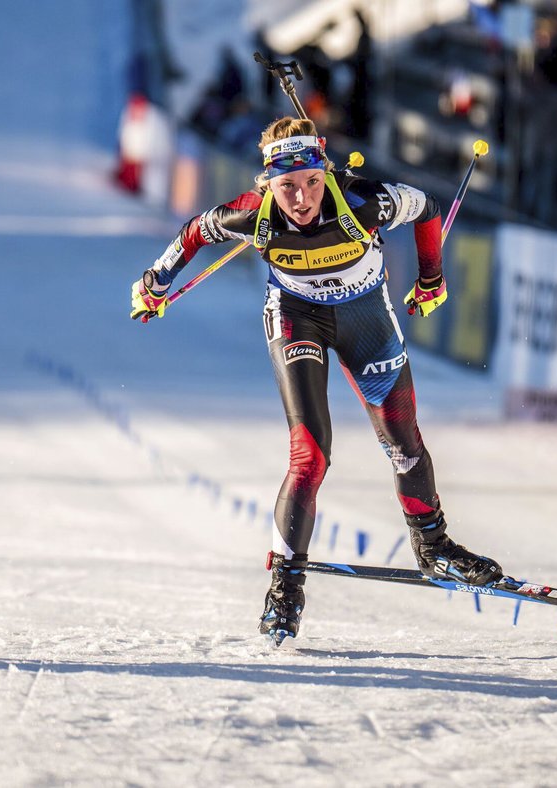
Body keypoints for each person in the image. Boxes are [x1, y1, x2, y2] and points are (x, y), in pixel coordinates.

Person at [130, 117, 504, 644]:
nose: (300, 198)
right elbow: (193, 230)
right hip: (296, 316)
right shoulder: (252, 215)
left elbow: (428, 208)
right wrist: (155, 281)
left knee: (404, 444)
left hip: (365, 317)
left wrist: (431, 279)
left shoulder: (363, 202)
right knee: (310, 454)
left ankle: (434, 547)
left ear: (324, 174)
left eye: (309, 182)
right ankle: (285, 587)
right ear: (268, 186)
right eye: (286, 187)